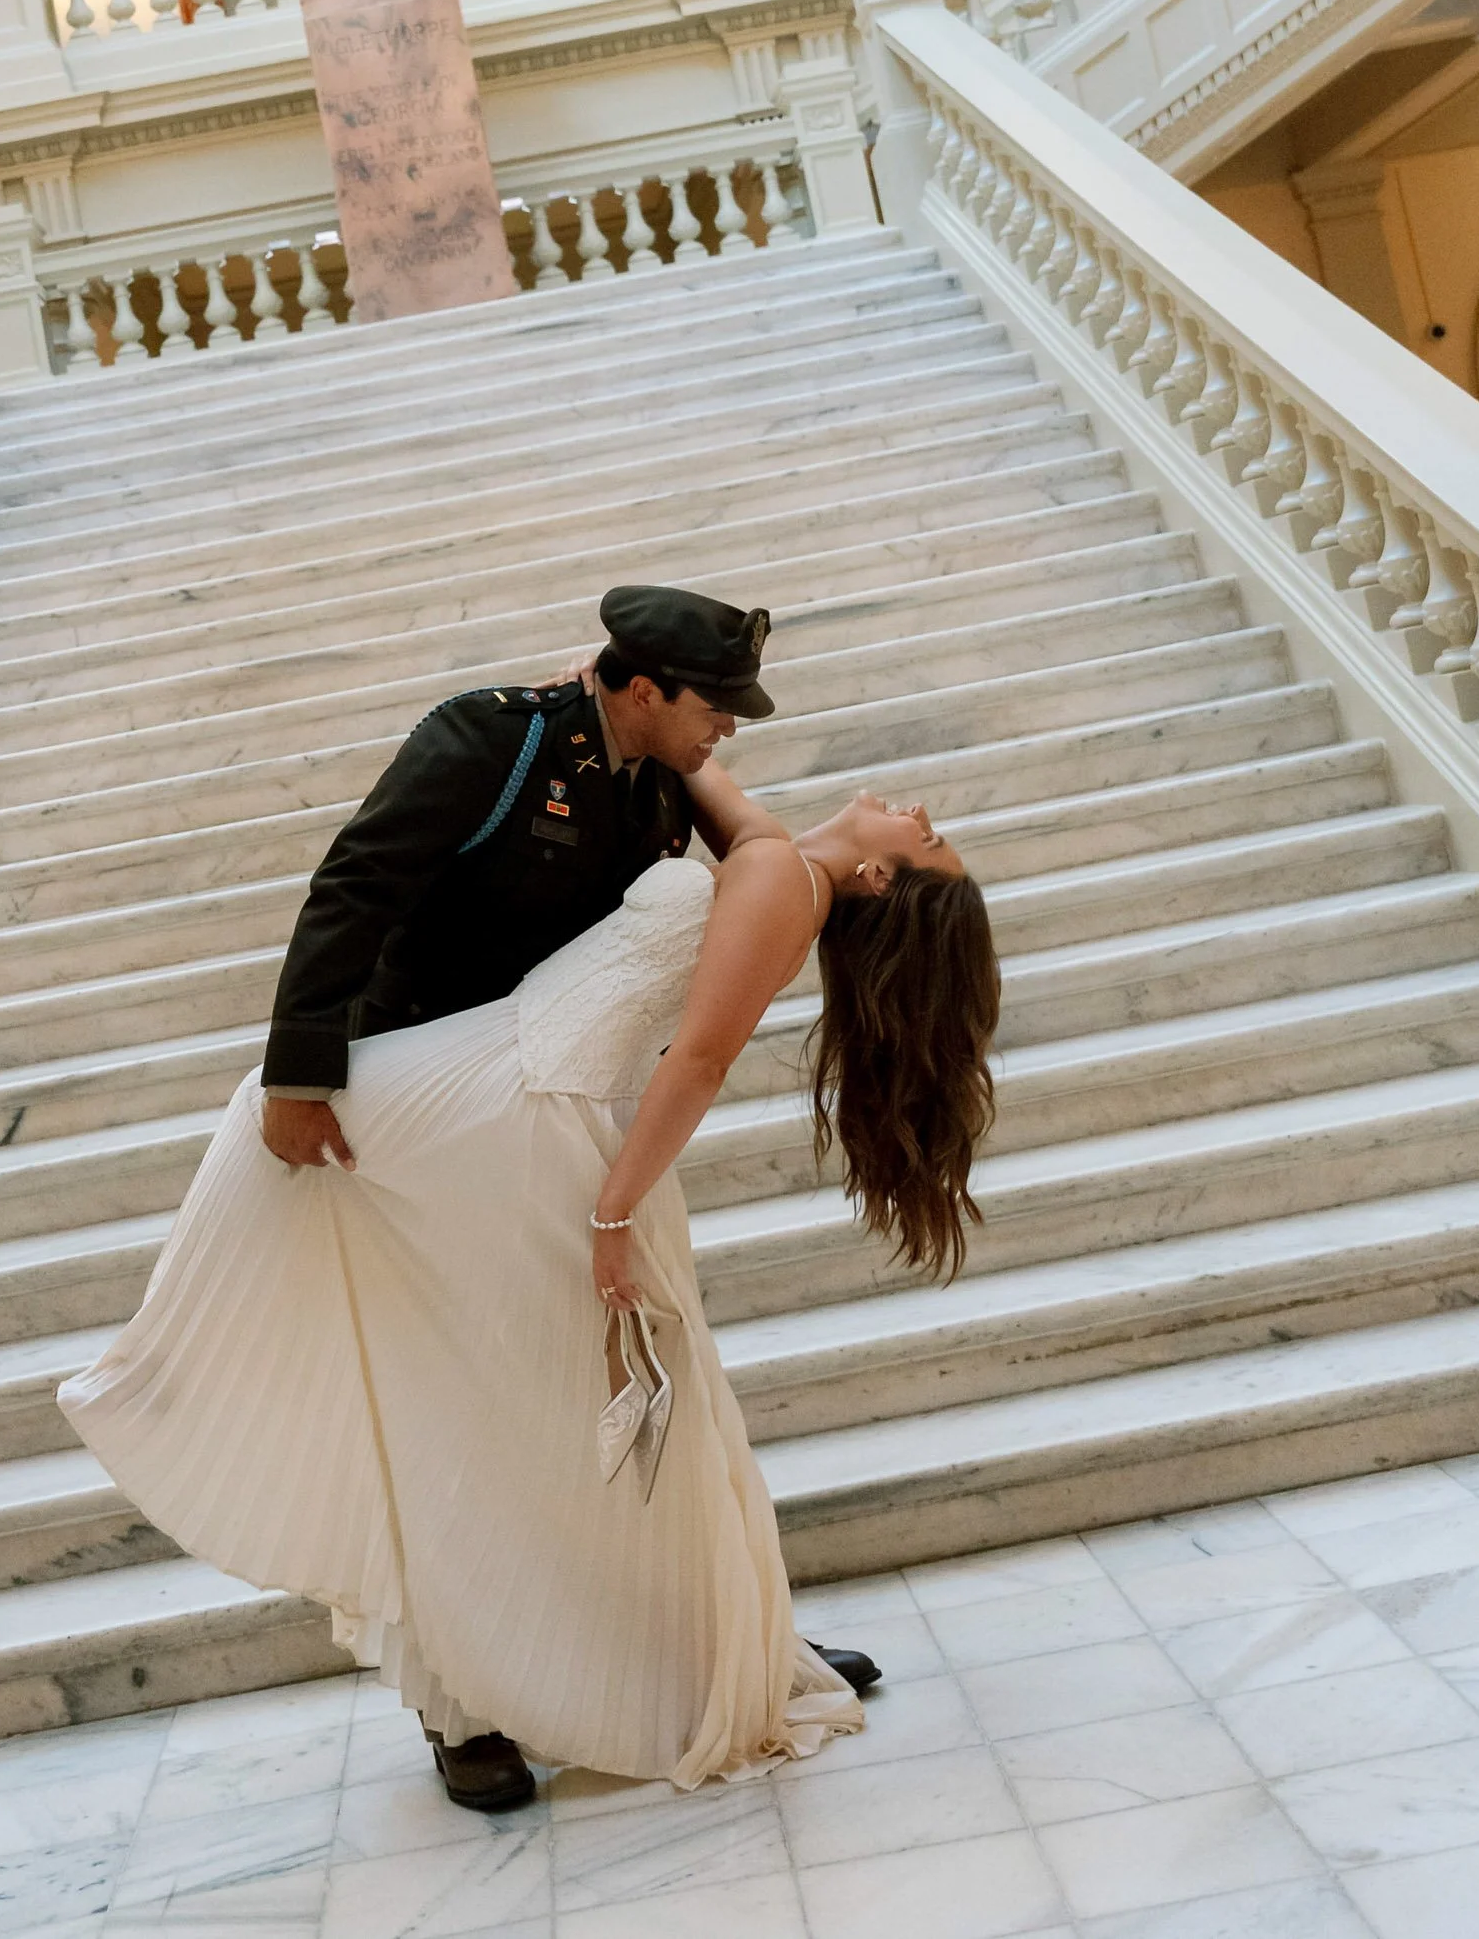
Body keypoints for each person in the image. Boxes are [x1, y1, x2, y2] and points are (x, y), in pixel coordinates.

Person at [60, 590, 1002, 1808]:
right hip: (476, 1103)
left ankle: (716, 1650)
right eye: (713, 705)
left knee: (609, 1429)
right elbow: (369, 878)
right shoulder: (560, 760)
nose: (920, 810)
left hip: (539, 1124)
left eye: (928, 837)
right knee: (504, 1420)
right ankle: (473, 1700)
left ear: (878, 873)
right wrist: (303, 1072)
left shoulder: (740, 845)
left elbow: (701, 1045)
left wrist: (611, 1212)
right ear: (651, 690)